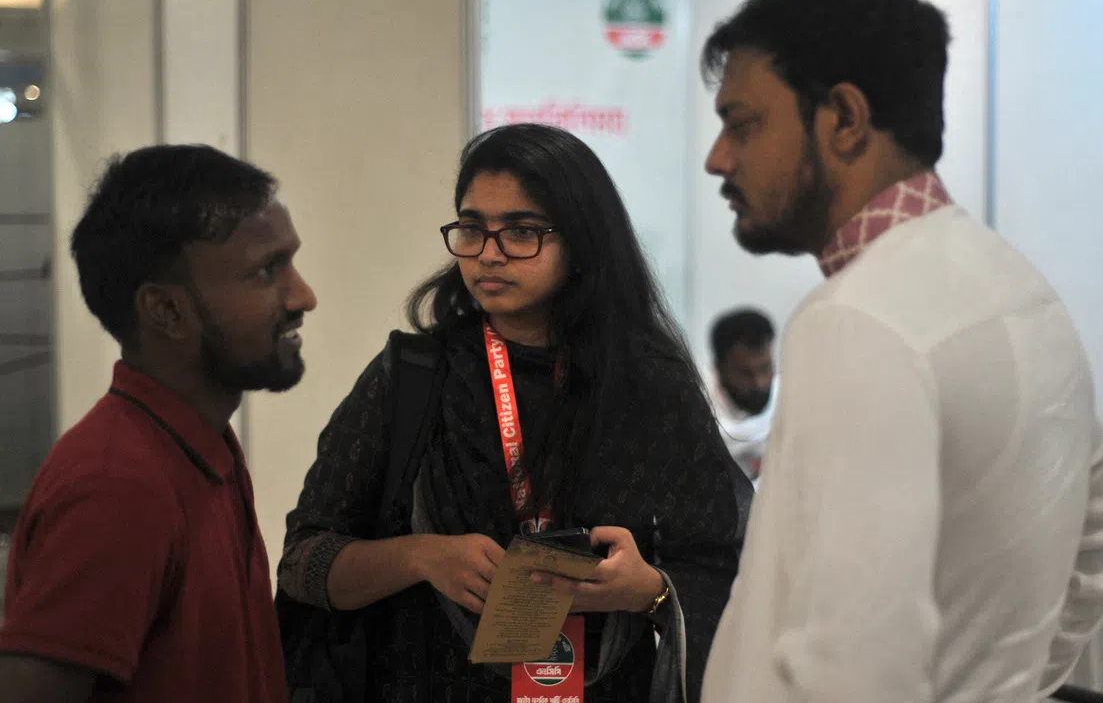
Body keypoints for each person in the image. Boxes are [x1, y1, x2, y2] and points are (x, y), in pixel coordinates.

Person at [698, 0, 1103, 703]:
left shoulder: (857, 318)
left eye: (742, 124)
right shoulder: (1019, 289)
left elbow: (855, 666)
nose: (718, 157)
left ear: (843, 117)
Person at [276, 123, 751, 703]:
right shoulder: (416, 376)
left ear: (581, 241)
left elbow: (724, 570)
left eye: (522, 231)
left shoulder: (650, 386)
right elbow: (302, 563)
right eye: (472, 228)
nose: (489, 254)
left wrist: (648, 590)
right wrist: (421, 557)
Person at [0, 145, 317, 703]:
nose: (303, 296)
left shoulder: (197, 441)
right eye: (267, 270)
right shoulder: (119, 486)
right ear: (166, 311)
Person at [708, 308, 779, 483]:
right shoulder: (697, 411)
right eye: (746, 374)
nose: (760, 383)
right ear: (719, 369)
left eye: (765, 368)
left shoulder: (789, 398)